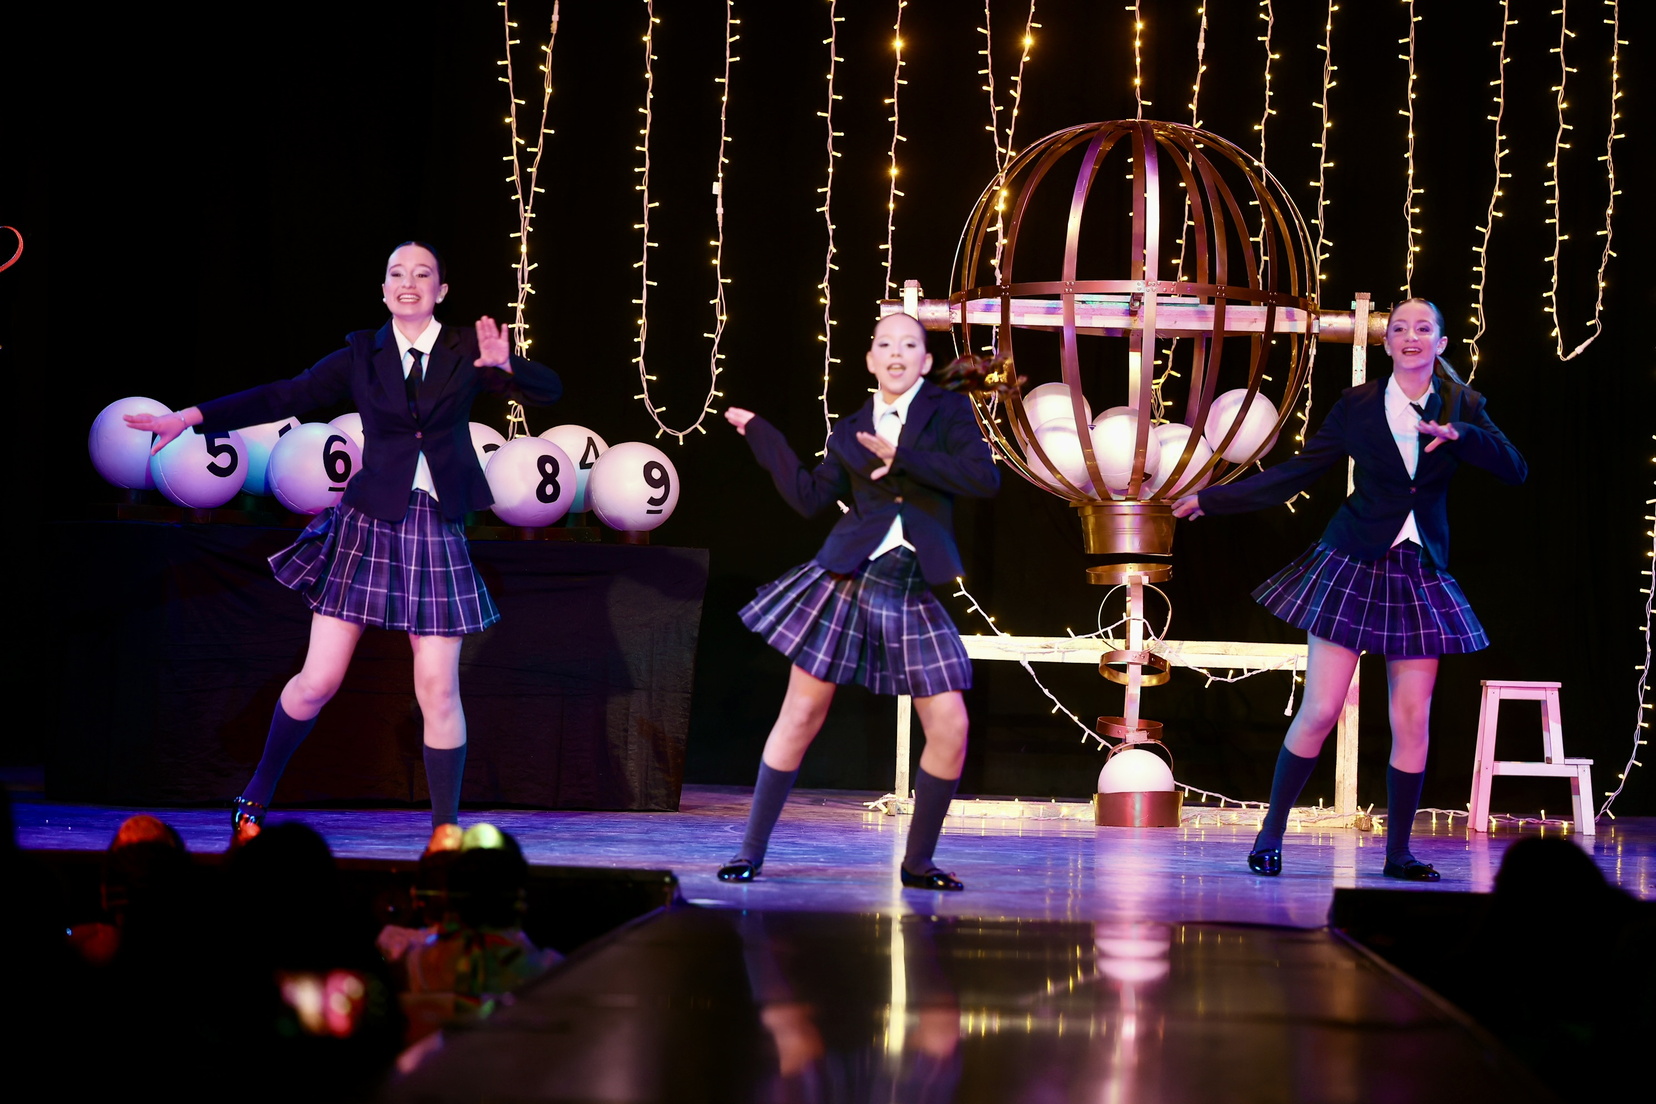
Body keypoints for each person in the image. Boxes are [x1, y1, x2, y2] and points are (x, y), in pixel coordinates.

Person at [125, 242, 562, 842]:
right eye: (397, 273)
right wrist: (191, 416)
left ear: (441, 290)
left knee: (438, 689)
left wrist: (508, 366)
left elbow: (548, 390)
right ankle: (256, 792)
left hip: (436, 528)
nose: (408, 282)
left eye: (423, 274)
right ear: (383, 289)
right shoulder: (362, 352)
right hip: (368, 523)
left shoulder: (467, 349)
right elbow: (284, 395)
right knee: (318, 680)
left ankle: (446, 832)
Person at [1172, 298, 1526, 880]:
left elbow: (1515, 468)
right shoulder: (1358, 404)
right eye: (1400, 328)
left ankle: (1398, 854)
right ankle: (1270, 835)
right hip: (1354, 561)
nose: (1410, 337)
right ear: (1387, 343)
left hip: (1419, 568)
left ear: (1440, 343)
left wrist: (1461, 435)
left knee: (1411, 719)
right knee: (1320, 709)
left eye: (1423, 329)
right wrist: (1214, 499)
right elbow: (1299, 471)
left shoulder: (1463, 403)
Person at [719, 312, 1000, 891]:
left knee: (950, 726)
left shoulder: (947, 412)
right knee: (800, 714)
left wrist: (904, 458)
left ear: (925, 361)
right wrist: (764, 437)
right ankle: (750, 852)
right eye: (885, 344)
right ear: (871, 359)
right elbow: (808, 498)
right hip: (847, 576)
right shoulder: (847, 432)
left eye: (909, 344)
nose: (896, 353)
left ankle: (918, 863)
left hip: (909, 584)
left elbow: (983, 479)